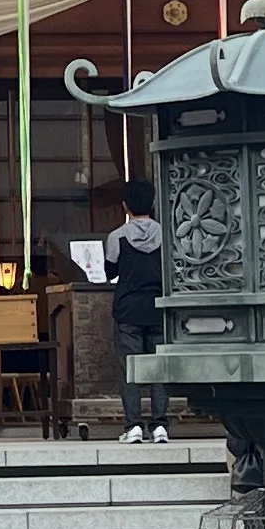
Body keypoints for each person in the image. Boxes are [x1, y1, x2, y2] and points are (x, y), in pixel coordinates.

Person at [103, 182, 169, 440]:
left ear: (125, 206)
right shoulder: (167, 235)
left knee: (129, 368)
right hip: (159, 308)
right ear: (152, 204)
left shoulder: (117, 236)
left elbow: (110, 273)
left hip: (128, 310)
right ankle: (160, 425)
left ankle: (133, 426)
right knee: (160, 369)